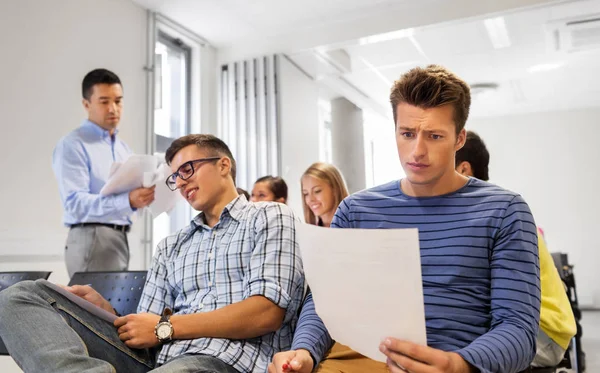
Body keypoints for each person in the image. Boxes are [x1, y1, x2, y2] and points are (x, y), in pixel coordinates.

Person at [271, 65, 540, 373]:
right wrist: (303, 351)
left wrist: (459, 364)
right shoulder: (356, 211)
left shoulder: (504, 211)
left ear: (459, 138)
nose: (417, 151)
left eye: (435, 136)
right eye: (407, 134)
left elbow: (517, 329)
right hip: (364, 362)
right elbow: (325, 304)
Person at [1, 134, 305, 373]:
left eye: (188, 169)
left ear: (223, 165)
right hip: (156, 360)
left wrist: (167, 327)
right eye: (175, 177)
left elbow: (267, 313)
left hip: (223, 361)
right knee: (21, 296)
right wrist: (108, 312)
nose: (181, 182)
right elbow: (147, 331)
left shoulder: (269, 216)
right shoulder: (171, 246)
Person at [455, 130, 576, 368]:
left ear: (463, 169)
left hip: (544, 331)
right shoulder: (486, 209)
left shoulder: (495, 213)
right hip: (538, 324)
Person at [52, 68, 155, 277]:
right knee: (90, 309)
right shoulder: (73, 144)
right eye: (104, 101)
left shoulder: (124, 149)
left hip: (120, 239)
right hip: (92, 237)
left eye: (118, 101)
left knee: (113, 309)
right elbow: (75, 204)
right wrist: (128, 201)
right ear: (86, 104)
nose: (113, 109)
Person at [300, 162, 348, 227]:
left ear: (335, 189)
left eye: (317, 191)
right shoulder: (309, 233)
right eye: (306, 194)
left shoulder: (358, 226)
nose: (310, 199)